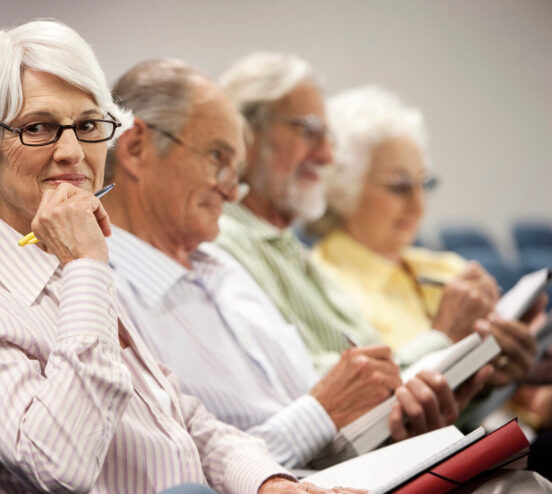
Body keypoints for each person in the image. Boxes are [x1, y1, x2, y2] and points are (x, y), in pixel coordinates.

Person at [0, 20, 340, 494]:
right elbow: (60, 466)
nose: (73, 152)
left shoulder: (65, 266)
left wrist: (269, 483)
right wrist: (86, 269)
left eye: (88, 125)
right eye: (38, 127)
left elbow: (184, 419)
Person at [102, 58, 486, 470]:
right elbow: (183, 472)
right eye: (217, 157)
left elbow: (326, 417)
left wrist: (396, 423)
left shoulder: (219, 266)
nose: (232, 193)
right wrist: (323, 413)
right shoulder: (103, 296)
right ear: (137, 148)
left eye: (236, 168)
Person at [215, 52, 540, 382]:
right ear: (245, 133)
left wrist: (485, 380)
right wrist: (444, 339)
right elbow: (320, 391)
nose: (327, 155)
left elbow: (391, 395)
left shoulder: (287, 249)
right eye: (309, 129)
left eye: (424, 184)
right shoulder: (225, 243)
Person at [311, 85, 545, 388]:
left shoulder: (449, 269)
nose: (419, 205)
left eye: (426, 184)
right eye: (399, 186)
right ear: (343, 187)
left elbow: (512, 395)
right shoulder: (324, 285)